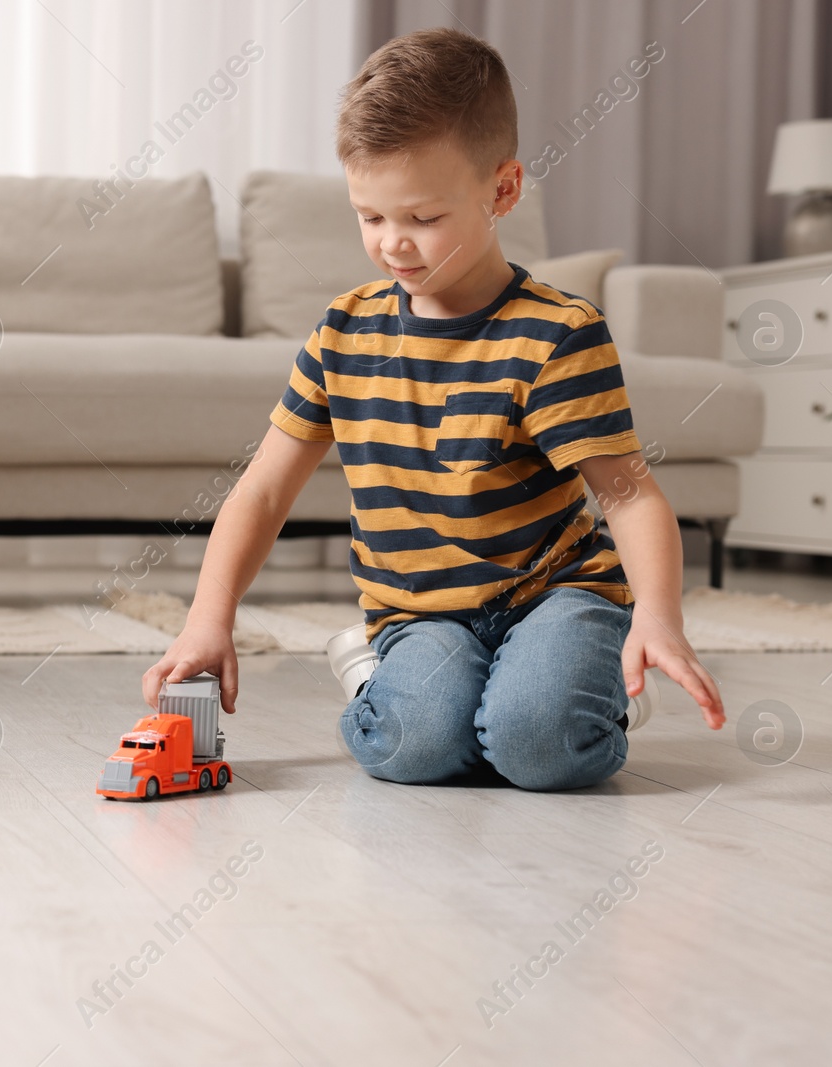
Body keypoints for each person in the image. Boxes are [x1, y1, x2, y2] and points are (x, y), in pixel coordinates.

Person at [140, 27, 725, 791]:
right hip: (422, 611)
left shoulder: (557, 334)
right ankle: (405, 679)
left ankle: (582, 696)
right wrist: (207, 619)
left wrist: (658, 614)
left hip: (555, 592)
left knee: (539, 749)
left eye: (421, 218)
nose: (393, 245)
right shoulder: (344, 331)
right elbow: (264, 489)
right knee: (411, 750)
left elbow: (627, 492)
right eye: (370, 216)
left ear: (503, 190)